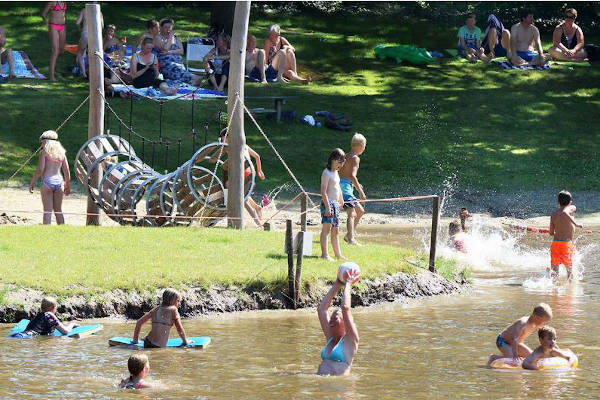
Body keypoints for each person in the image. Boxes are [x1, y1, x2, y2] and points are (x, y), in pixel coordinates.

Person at [218, 128, 266, 227]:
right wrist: (259, 170)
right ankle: (257, 207)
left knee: (241, 199)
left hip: (244, 171)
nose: (224, 142)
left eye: (224, 140)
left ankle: (258, 223)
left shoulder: (232, 147)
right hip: (250, 171)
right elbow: (257, 156)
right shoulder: (244, 145)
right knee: (241, 194)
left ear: (229, 137)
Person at [317, 268, 360, 375]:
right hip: (323, 386)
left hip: (340, 387)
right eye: (331, 318)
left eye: (335, 318)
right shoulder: (330, 337)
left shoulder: (350, 340)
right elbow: (321, 310)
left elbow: (345, 307)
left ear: (344, 323)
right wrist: (337, 285)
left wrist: (348, 284)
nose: (330, 321)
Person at [487, 303, 553, 366]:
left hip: (517, 343)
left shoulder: (537, 324)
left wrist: (553, 348)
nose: (544, 324)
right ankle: (493, 357)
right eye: (544, 322)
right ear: (537, 317)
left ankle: (511, 354)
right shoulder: (523, 323)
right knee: (511, 360)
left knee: (532, 357)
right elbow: (514, 340)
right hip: (503, 341)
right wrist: (515, 355)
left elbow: (546, 337)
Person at [29, 130, 70, 225]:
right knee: (58, 210)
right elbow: (66, 171)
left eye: (42, 141)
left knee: (47, 211)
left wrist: (32, 183)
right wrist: (67, 185)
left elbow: (40, 170)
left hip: (47, 182)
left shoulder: (44, 153)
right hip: (59, 182)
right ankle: (63, 230)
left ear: (46, 141)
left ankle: (46, 231)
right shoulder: (62, 153)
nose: (41, 143)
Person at [155, 18, 203, 85]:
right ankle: (193, 77)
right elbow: (166, 48)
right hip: (166, 62)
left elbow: (181, 51)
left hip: (177, 62)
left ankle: (192, 80)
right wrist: (170, 37)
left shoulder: (176, 38)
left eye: (169, 27)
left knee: (178, 69)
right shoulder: (158, 37)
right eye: (165, 27)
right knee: (175, 68)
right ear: (161, 28)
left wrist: (170, 52)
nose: (168, 29)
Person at [339, 133, 367, 246]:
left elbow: (342, 173)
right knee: (352, 213)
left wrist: (356, 185)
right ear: (361, 146)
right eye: (364, 146)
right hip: (345, 188)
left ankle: (348, 235)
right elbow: (351, 175)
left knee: (360, 211)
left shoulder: (345, 156)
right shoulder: (355, 158)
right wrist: (361, 192)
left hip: (341, 185)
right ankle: (351, 239)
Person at [549, 190, 583, 280]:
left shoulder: (553, 214)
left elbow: (551, 233)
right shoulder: (571, 207)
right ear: (570, 202)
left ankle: (553, 291)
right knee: (569, 272)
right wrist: (576, 224)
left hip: (555, 244)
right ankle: (570, 291)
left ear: (558, 202)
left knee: (554, 271)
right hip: (566, 244)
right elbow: (565, 212)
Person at [320, 148, 346, 261]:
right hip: (328, 204)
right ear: (332, 160)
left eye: (342, 163)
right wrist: (327, 207)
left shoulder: (336, 173)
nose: (340, 165)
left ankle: (338, 254)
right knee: (326, 229)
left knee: (336, 230)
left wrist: (341, 199)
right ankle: (325, 254)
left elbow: (338, 187)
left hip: (335, 204)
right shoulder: (326, 173)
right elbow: (323, 192)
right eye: (339, 162)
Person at [41, 1, 67, 81]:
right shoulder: (52, 2)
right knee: (55, 50)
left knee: (62, 50)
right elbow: (43, 13)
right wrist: (45, 20)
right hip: (53, 26)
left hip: (62, 26)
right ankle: (51, 75)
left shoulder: (64, 2)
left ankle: (54, 68)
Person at [74, 8, 103, 79]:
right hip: (95, 35)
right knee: (95, 55)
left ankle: (84, 73)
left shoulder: (84, 10)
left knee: (80, 54)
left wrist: (80, 29)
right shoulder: (99, 12)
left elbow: (77, 23)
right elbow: (102, 26)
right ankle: (95, 75)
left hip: (86, 33)